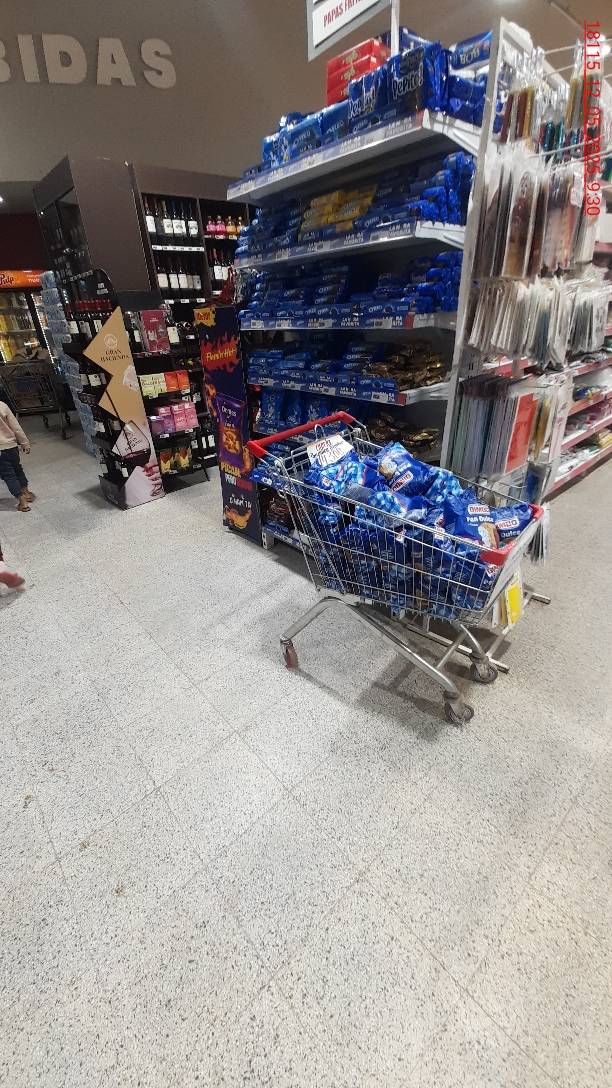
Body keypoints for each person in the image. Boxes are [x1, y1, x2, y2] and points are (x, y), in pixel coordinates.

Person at [0, 398, 34, 512]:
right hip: (11, 446)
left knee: (8, 475)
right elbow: (16, 427)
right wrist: (24, 443)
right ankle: (27, 493)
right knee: (17, 469)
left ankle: (23, 502)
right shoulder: (2, 405)